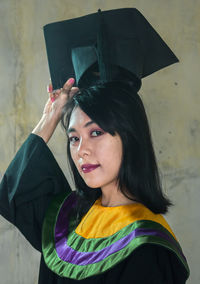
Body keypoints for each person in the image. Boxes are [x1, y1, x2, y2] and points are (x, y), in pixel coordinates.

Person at [0, 8, 190, 283]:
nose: (81, 150)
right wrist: (51, 116)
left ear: (130, 136)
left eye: (97, 132)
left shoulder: (148, 246)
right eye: (74, 137)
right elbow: (14, 193)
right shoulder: (70, 217)